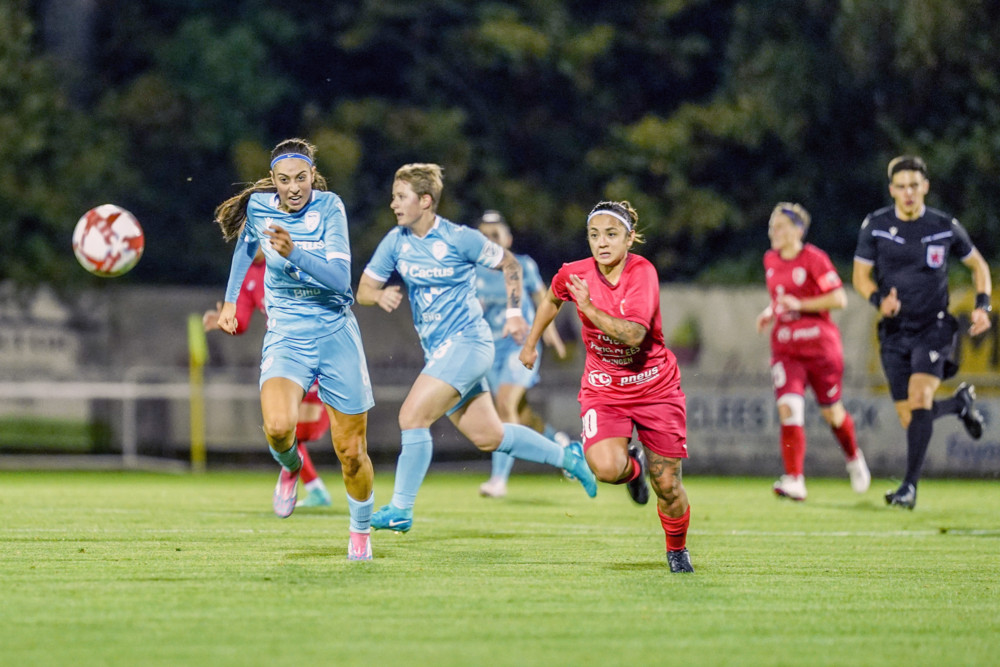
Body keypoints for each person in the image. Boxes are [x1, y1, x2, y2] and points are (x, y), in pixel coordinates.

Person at [356, 163, 596, 533]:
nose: (393, 204)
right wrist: (379, 294)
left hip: (470, 342)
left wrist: (516, 313)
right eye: (393, 197)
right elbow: (363, 291)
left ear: (425, 200)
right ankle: (568, 456)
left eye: (400, 197)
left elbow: (511, 264)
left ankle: (401, 509)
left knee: (411, 417)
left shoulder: (459, 238)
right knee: (490, 436)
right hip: (441, 352)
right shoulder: (395, 242)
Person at [213, 138, 376, 560]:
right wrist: (231, 300)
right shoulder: (260, 208)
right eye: (284, 180)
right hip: (287, 335)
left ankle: (360, 533)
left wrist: (294, 252)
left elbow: (342, 281)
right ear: (273, 181)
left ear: (312, 177)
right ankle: (290, 469)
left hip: (336, 334)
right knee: (279, 428)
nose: (293, 188)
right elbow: (246, 247)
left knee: (351, 452)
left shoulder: (330, 208)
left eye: (301, 178)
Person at [519, 200, 695, 573]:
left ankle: (677, 551)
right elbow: (552, 296)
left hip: (655, 388)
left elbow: (633, 334)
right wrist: (532, 341)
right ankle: (634, 468)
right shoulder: (575, 274)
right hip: (604, 389)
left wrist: (589, 307)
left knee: (667, 486)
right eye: (594, 235)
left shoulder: (643, 273)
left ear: (629, 239)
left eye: (611, 235)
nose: (601, 243)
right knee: (605, 467)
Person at [852, 155, 991, 510]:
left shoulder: (944, 226)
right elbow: (860, 277)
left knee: (918, 400)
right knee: (909, 416)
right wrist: (878, 300)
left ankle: (909, 488)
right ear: (891, 190)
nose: (908, 192)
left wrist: (983, 305)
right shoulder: (877, 225)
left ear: (925, 187)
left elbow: (978, 266)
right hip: (895, 331)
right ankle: (959, 404)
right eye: (901, 187)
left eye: (914, 185)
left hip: (935, 328)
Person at [755, 203, 871, 501]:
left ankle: (853, 458)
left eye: (779, 226)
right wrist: (771, 311)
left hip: (820, 349)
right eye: (771, 226)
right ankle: (795, 479)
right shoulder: (770, 260)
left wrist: (800, 305)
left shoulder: (814, 259)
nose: (773, 232)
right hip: (786, 349)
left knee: (833, 413)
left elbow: (839, 298)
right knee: (788, 408)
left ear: (798, 230)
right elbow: (782, 299)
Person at [202, 249, 334, 509]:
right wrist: (224, 321)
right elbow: (241, 322)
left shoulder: (289, 255)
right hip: (284, 353)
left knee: (308, 431)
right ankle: (312, 485)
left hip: (319, 345)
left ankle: (319, 482)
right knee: (284, 429)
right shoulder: (248, 274)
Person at [474, 209, 574, 499]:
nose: (489, 240)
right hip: (491, 350)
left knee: (504, 406)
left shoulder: (522, 266)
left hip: (520, 346)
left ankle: (498, 480)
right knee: (521, 415)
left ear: (507, 237)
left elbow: (544, 301)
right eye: (483, 236)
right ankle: (562, 446)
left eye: (494, 235)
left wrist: (553, 337)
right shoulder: (474, 273)